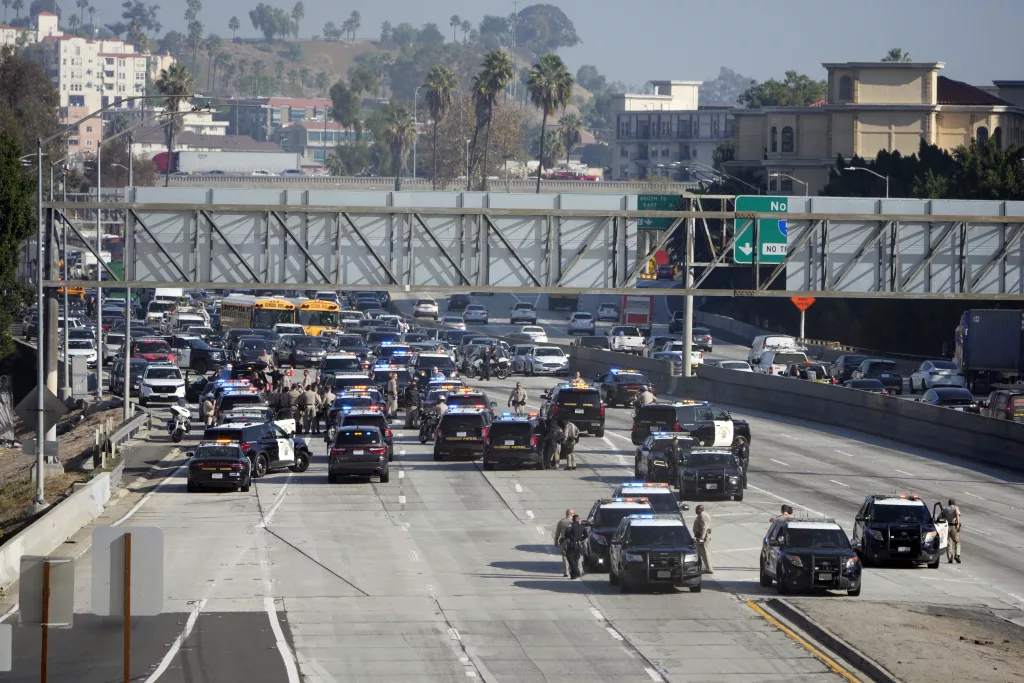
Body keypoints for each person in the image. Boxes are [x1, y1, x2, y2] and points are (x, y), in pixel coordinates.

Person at [562, 514, 587, 579]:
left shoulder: (570, 526)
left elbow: (566, 535)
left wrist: (568, 538)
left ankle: (577, 572)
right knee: (576, 560)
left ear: (573, 520)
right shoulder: (582, 526)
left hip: (571, 545)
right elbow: (586, 535)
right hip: (579, 545)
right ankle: (573, 575)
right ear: (578, 519)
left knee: (570, 558)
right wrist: (581, 539)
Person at [692, 504, 713, 574]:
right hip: (703, 536)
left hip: (702, 537)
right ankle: (700, 567)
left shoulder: (703, 516)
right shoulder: (705, 515)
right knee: (700, 553)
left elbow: (704, 528)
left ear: (701, 510)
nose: (695, 510)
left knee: (704, 553)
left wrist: (701, 538)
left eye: (697, 509)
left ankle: (709, 569)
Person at [553, 509, 574, 577]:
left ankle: (566, 572)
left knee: (565, 557)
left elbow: (557, 533)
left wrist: (556, 540)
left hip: (564, 541)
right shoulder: (575, 521)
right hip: (573, 542)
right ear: (571, 514)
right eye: (573, 513)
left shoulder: (561, 522)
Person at [944, 498, 962, 563]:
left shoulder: (945, 509)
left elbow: (940, 517)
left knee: (949, 543)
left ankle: (950, 558)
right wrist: (958, 524)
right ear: (954, 503)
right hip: (954, 526)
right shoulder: (955, 508)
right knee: (957, 541)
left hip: (947, 527)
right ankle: (957, 555)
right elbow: (957, 515)